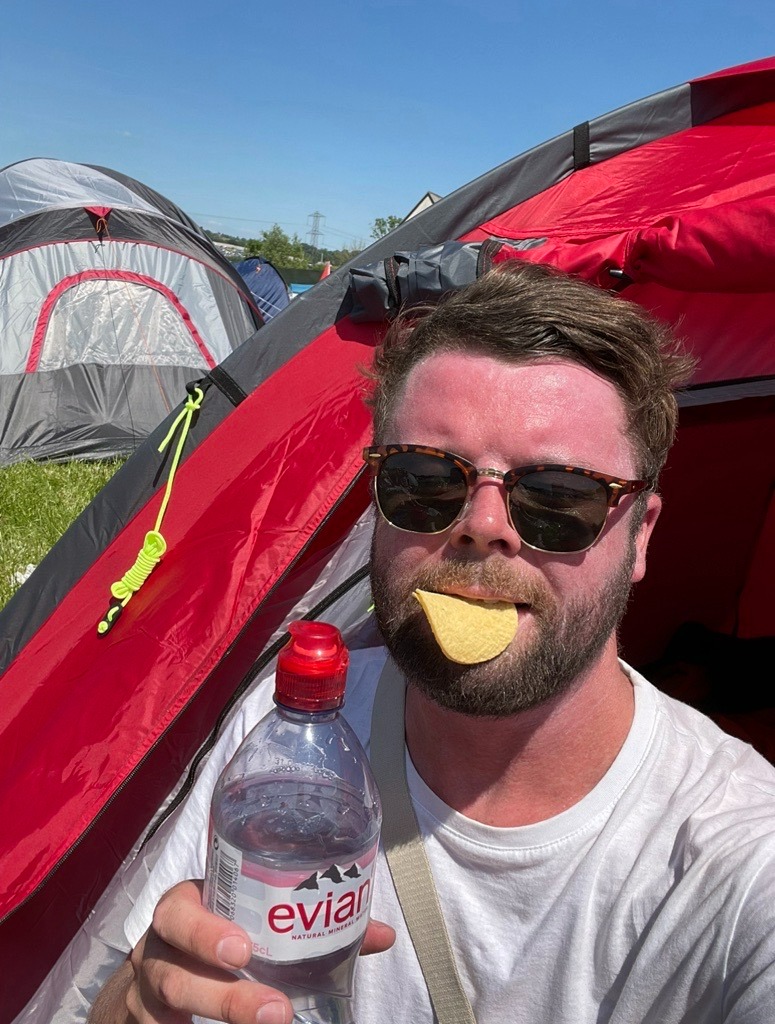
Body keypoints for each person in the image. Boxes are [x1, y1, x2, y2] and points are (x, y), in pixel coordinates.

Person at [89, 260, 775, 1024]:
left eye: (557, 496)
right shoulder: (290, 738)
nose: (481, 526)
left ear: (640, 536)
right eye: (424, 480)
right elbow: (140, 987)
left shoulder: (742, 861)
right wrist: (139, 1002)